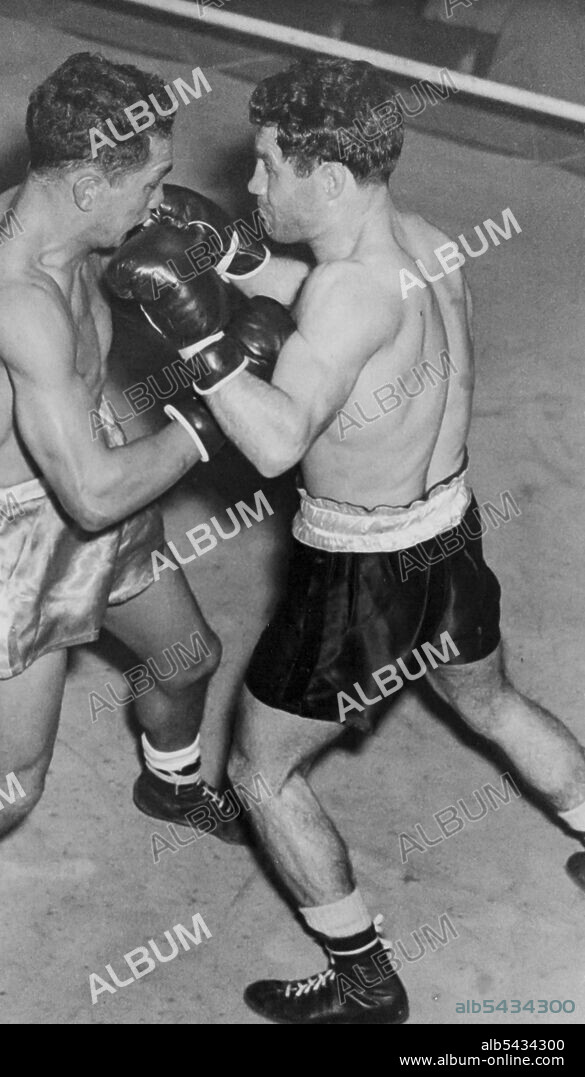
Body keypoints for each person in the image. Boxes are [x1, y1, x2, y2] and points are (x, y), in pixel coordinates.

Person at [108, 56, 585, 1025]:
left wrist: (198, 343)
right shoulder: (425, 241)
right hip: (447, 534)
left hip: (363, 574)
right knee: (491, 706)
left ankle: (363, 979)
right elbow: (350, 298)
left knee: (256, 772)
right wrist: (236, 263)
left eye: (269, 167)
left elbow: (279, 441)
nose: (250, 186)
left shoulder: (343, 301)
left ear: (325, 179)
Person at [0, 51, 281, 1024]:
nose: (158, 200)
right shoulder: (14, 300)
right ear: (86, 182)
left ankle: (168, 786)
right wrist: (214, 409)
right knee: (6, 787)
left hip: (96, 470)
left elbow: (95, 467)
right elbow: (88, 495)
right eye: (147, 183)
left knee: (186, 656)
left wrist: (217, 248)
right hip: (22, 541)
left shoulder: (60, 206)